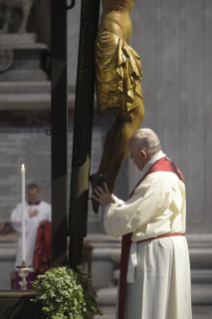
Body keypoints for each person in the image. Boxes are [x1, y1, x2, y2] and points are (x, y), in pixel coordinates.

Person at [93, 128, 192, 319]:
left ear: (143, 153)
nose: (131, 158)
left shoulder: (157, 178)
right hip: (168, 247)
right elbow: (146, 212)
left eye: (132, 153)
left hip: (156, 254)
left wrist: (108, 207)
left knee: (152, 308)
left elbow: (131, 218)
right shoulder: (171, 169)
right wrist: (116, 203)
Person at [90, 0, 145, 213]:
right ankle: (108, 178)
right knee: (134, 115)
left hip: (116, 36)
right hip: (113, 36)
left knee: (125, 117)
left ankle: (104, 175)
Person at [11, 183, 51, 289]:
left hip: (39, 245)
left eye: (33, 195)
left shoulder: (46, 208)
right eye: (29, 195)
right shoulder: (21, 207)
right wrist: (28, 215)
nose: (31, 197)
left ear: (37, 193)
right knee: (24, 266)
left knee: (38, 270)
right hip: (25, 243)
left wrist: (45, 224)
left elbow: (51, 225)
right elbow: (15, 221)